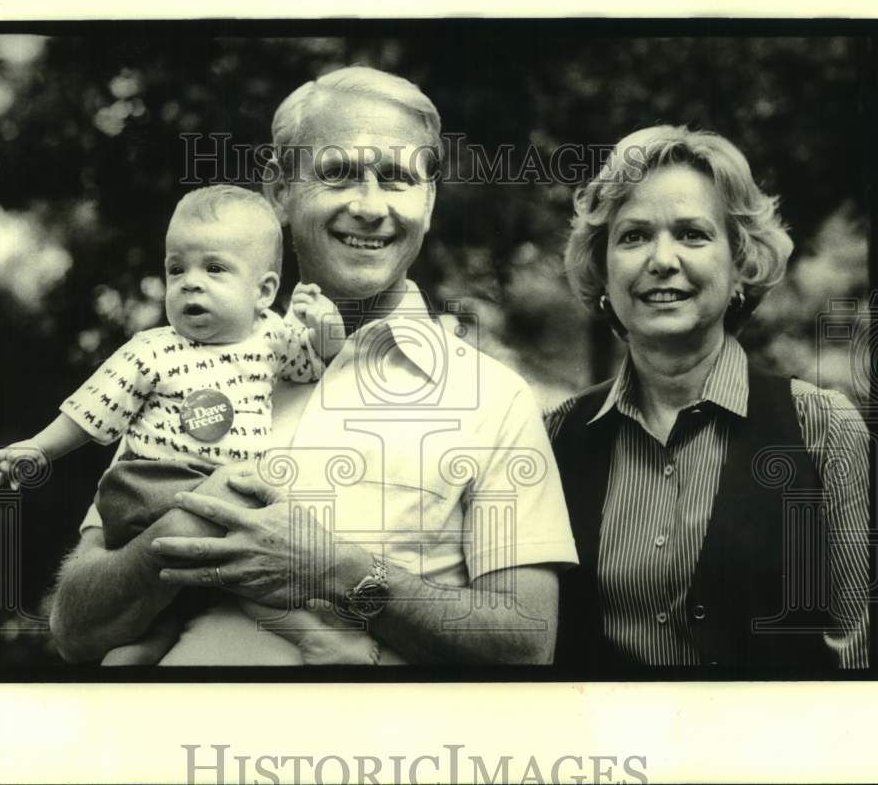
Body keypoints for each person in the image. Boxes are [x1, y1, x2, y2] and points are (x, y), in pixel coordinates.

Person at [47, 66, 577, 666]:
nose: (370, 206)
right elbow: (75, 629)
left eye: (398, 178)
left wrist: (336, 571)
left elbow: (528, 643)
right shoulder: (181, 364)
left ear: (427, 201)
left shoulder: (493, 398)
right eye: (337, 173)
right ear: (279, 191)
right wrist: (177, 535)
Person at [0, 184, 382, 664]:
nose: (190, 283)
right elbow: (94, 407)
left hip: (201, 494)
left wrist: (323, 326)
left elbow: (315, 362)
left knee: (191, 584)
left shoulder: (272, 337)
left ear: (264, 292)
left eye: (214, 269)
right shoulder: (154, 348)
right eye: (177, 269)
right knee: (249, 538)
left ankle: (141, 651)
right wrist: (39, 448)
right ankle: (311, 635)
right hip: (150, 485)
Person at [547, 125, 870, 674]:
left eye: (693, 234)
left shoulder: (823, 429)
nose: (662, 260)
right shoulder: (556, 436)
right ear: (603, 269)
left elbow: (860, 659)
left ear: (741, 262)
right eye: (633, 236)